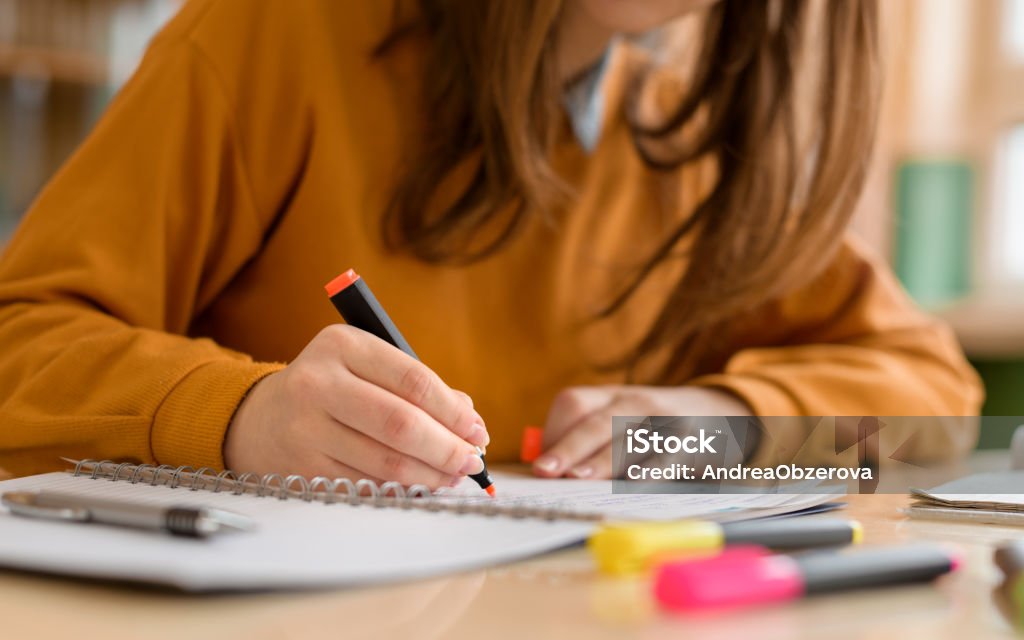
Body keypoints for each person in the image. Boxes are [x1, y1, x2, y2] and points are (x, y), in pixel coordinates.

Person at [0, 0, 982, 487]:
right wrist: (239, 415)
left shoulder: (696, 153)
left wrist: (712, 427)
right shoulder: (274, 34)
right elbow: (20, 344)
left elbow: (935, 416)